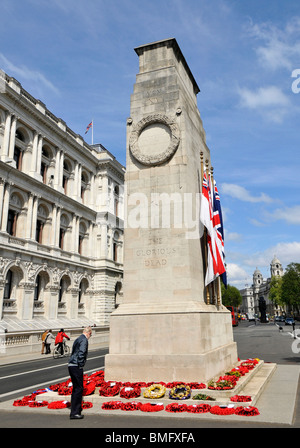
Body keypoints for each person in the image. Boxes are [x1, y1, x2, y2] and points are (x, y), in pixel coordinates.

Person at [68, 326, 92, 419]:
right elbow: (82, 352)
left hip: (71, 365)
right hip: (76, 365)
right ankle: (75, 412)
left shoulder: (78, 338)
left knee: (75, 389)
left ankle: (74, 410)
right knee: (79, 388)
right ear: (89, 333)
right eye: (91, 334)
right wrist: (81, 364)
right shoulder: (84, 340)